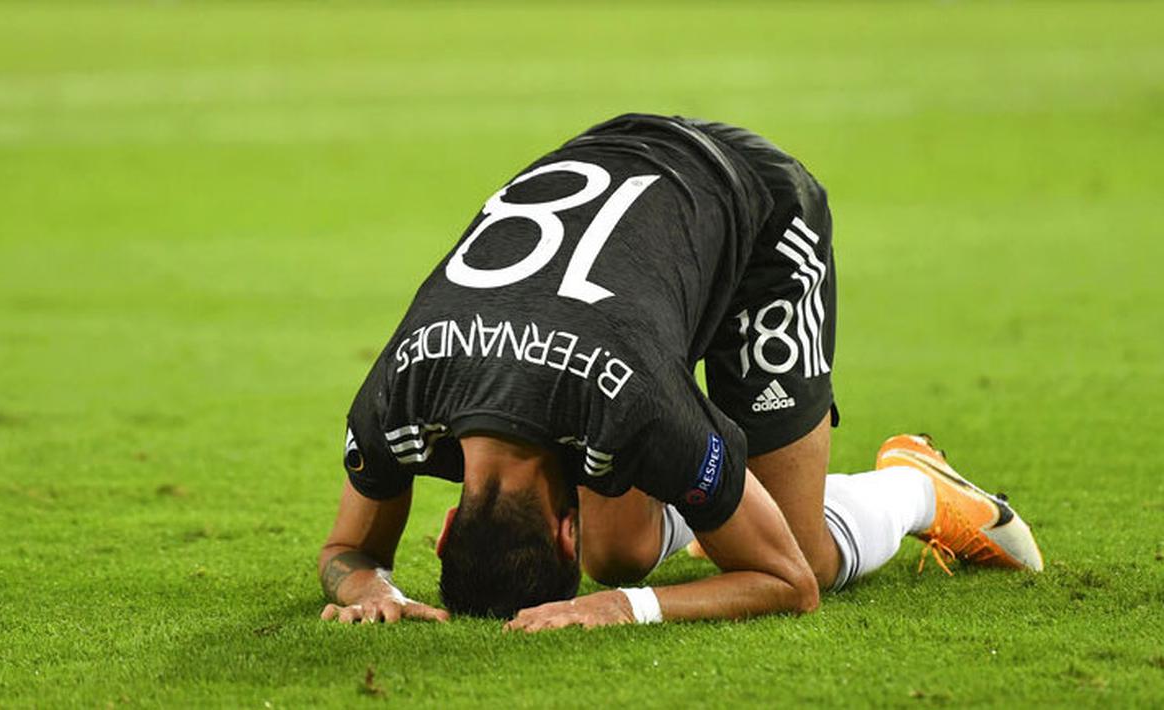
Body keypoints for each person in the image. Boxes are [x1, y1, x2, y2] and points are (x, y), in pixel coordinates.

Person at [318, 113, 1043, 631]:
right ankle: (715, 508)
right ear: (447, 530)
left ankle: (917, 486)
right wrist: (370, 588)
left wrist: (617, 608)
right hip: (618, 183)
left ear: (442, 533)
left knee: (806, 554)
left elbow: (787, 587)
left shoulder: (637, 408)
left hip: (758, 214)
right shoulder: (396, 398)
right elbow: (346, 556)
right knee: (621, 551)